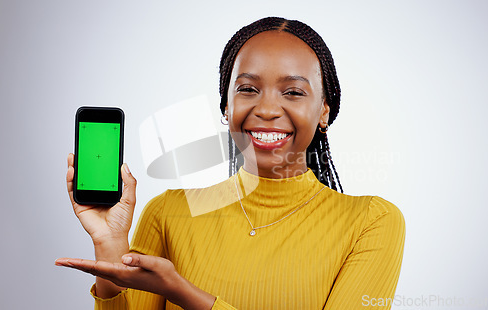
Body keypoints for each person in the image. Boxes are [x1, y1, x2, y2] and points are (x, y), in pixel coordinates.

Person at [56, 17, 405, 309]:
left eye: (293, 92)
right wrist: (110, 242)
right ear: (226, 106)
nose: (266, 109)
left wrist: (184, 293)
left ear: (324, 110)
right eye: (248, 89)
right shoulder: (167, 214)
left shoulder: (371, 222)